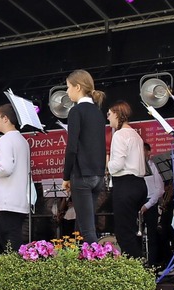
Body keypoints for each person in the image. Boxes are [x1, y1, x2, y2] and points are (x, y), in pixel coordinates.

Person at [61, 69, 107, 244]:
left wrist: (66, 176)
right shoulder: (98, 112)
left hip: (82, 175)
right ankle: (83, 264)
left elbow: (72, 147)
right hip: (98, 175)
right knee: (82, 225)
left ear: (78, 87)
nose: (67, 91)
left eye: (68, 87)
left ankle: (98, 265)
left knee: (87, 230)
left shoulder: (76, 111)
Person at [0, 103, 30, 252]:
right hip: (20, 198)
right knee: (13, 236)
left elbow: (6, 169)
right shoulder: (22, 140)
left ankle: (16, 271)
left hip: (8, 201)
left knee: (8, 239)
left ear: (5, 118)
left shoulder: (5, 140)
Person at [107, 101, 147, 259]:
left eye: (109, 114)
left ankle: (135, 271)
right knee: (131, 230)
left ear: (117, 114)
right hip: (139, 185)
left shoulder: (120, 134)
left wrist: (107, 163)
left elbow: (117, 165)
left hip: (125, 185)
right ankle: (138, 267)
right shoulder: (135, 135)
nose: (108, 118)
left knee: (124, 233)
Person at [142, 143, 164, 266]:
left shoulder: (154, 166)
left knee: (152, 236)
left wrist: (148, 205)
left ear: (149, 152)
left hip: (150, 203)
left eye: (143, 150)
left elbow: (160, 189)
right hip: (138, 204)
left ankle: (153, 265)